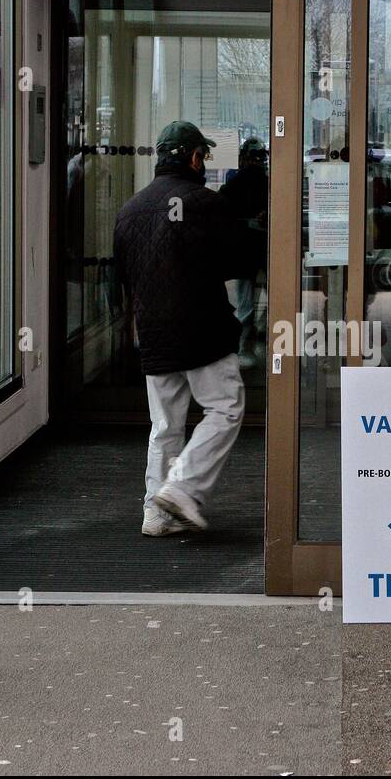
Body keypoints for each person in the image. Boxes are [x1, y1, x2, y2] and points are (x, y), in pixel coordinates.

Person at [114, 121, 258, 537]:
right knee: (226, 406)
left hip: (153, 335)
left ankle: (155, 513)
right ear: (194, 157)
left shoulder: (130, 210)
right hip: (202, 329)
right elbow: (237, 260)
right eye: (204, 156)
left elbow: (123, 277)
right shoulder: (203, 202)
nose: (205, 164)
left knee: (165, 425)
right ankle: (184, 488)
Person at [219, 137, 269, 369]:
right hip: (264, 248)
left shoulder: (236, 182)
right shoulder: (268, 181)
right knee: (266, 298)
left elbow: (222, 209)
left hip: (244, 250)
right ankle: (254, 337)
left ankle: (243, 346)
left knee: (246, 303)